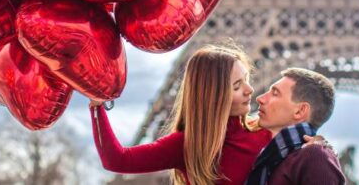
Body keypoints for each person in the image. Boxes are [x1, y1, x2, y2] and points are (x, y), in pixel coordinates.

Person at [89, 44, 272, 185]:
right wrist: (97, 106)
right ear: (214, 95)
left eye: (247, 80)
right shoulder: (187, 145)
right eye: (237, 86)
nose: (250, 90)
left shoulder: (268, 132)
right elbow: (116, 160)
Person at [246, 68, 345, 185]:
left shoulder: (315, 155)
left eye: (275, 93)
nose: (260, 98)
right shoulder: (271, 156)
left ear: (300, 111)